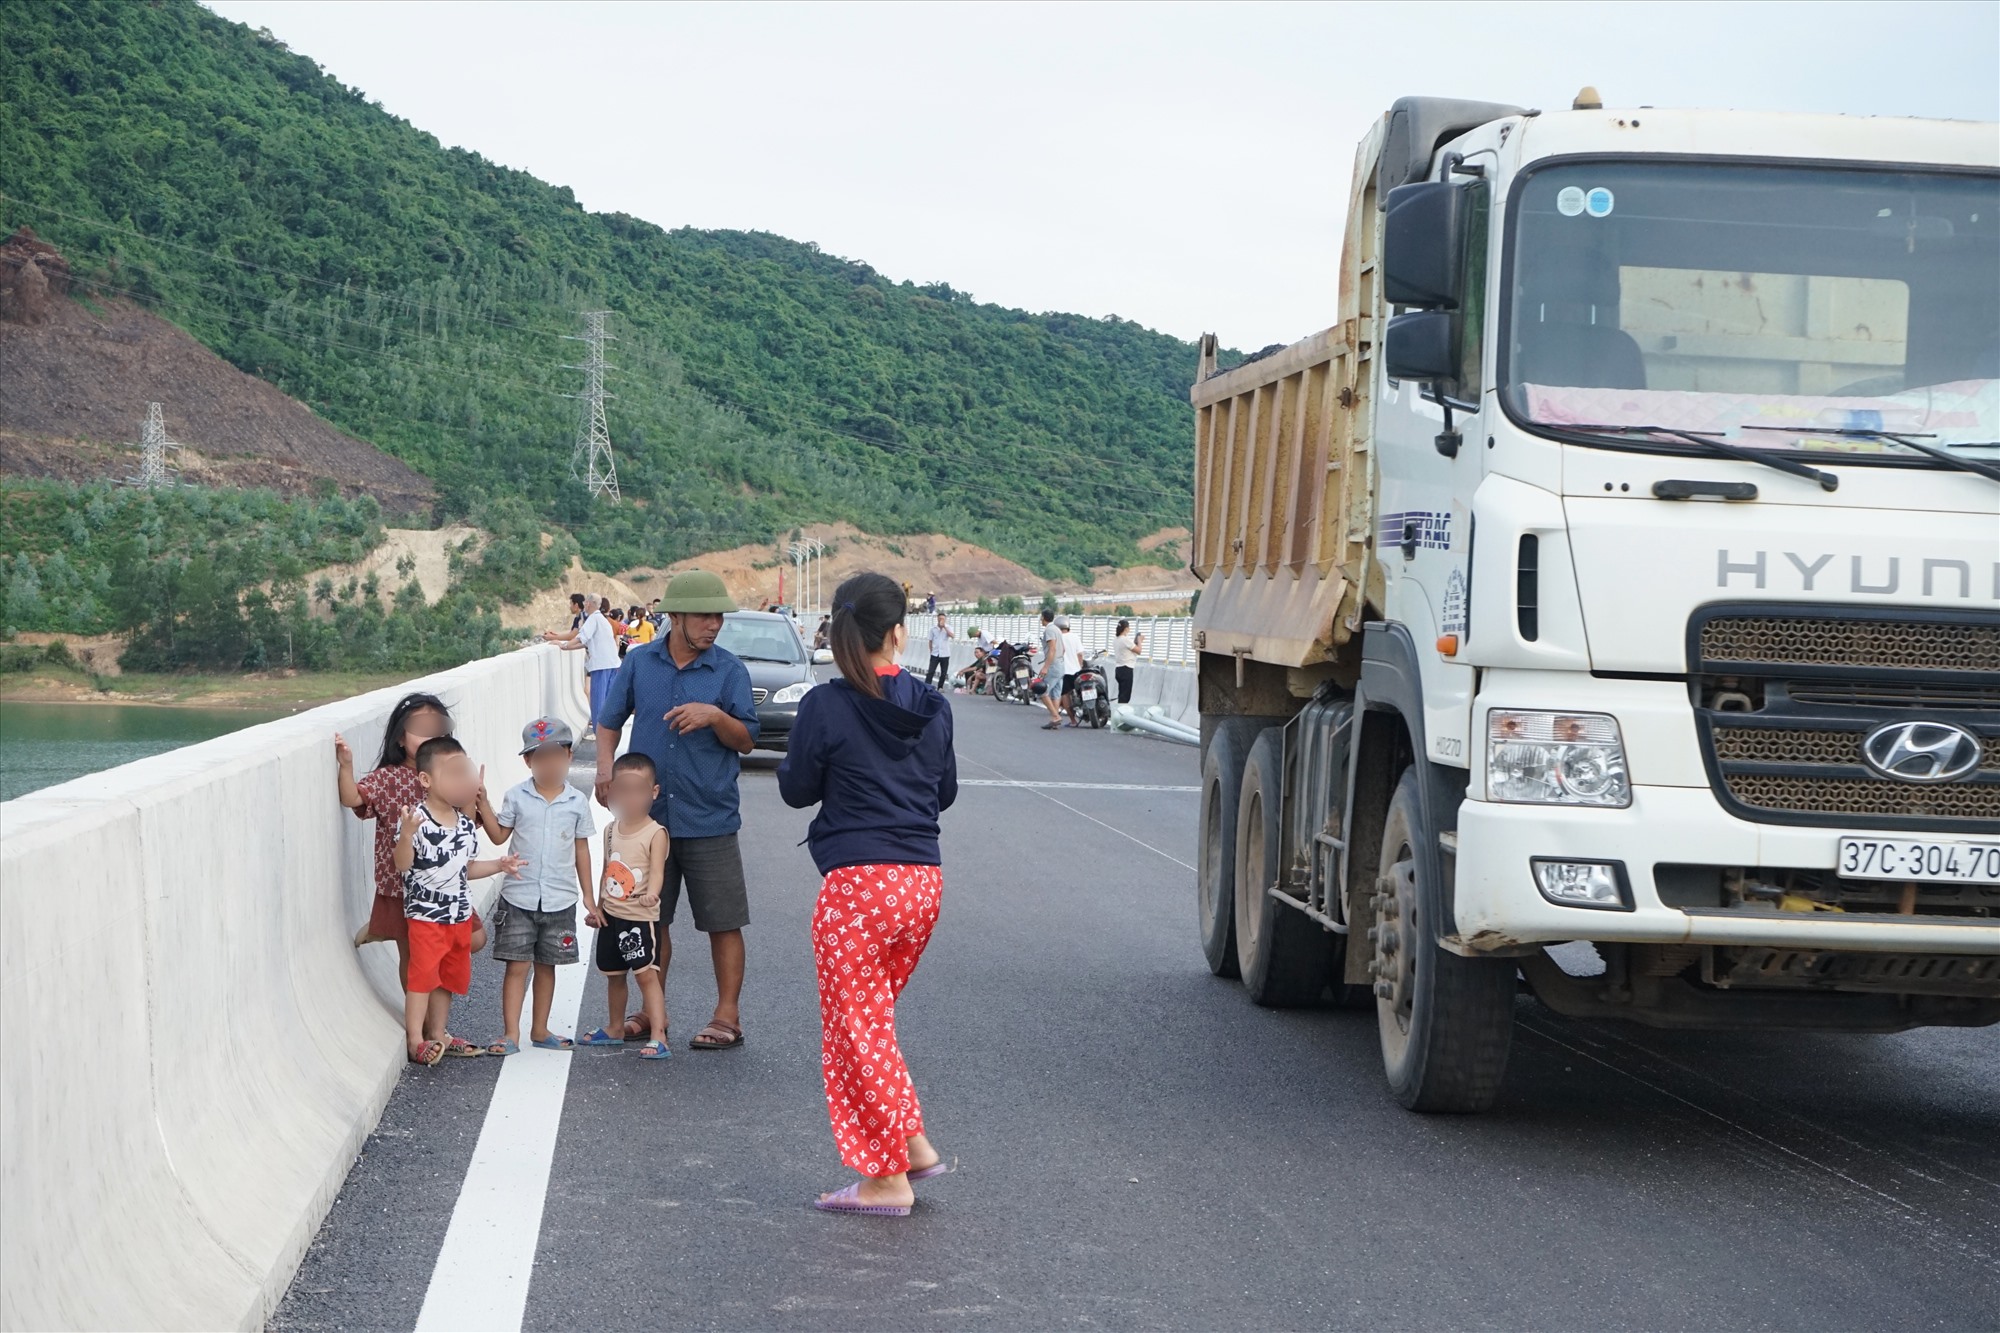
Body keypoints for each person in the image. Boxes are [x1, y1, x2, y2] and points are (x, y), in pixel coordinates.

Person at [777, 571, 958, 1216]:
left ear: (840, 631)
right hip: (921, 884)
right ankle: (911, 1144)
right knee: (873, 1022)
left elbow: (797, 788)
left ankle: (884, 1178)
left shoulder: (828, 705)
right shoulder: (933, 704)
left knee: (854, 1030)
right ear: (899, 632)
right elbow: (945, 793)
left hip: (858, 886)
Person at [595, 569, 761, 1051]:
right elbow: (609, 722)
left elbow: (747, 740)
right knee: (649, 919)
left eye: (718, 616)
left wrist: (716, 717)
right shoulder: (640, 663)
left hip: (710, 816)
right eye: (704, 615)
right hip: (647, 821)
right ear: (675, 617)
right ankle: (652, 1011)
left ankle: (727, 1016)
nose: (714, 624)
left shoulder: (729, 671)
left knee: (723, 920)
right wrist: (605, 767)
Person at [336, 693, 487, 1059]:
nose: (430, 734)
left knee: (474, 939)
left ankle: (433, 1029)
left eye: (437, 727)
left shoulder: (448, 770)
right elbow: (353, 799)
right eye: (421, 728)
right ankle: (425, 1035)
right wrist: (346, 765)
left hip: (448, 888)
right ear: (401, 737)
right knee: (419, 961)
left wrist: (474, 790)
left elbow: (469, 825)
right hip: (400, 886)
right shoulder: (388, 778)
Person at [394, 737, 525, 1065]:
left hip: (458, 916)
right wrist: (407, 835)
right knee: (422, 977)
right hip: (426, 916)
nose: (462, 781)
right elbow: (402, 864)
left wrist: (499, 865)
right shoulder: (417, 820)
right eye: (453, 773)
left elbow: (465, 868)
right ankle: (415, 1041)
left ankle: (440, 1034)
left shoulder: (466, 825)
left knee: (447, 977)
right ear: (426, 780)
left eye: (464, 773)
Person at [473, 716, 593, 1055]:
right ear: (528, 761)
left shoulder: (577, 803)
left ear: (569, 756)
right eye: (540, 757)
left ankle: (540, 1029)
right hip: (518, 896)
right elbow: (499, 835)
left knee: (547, 965)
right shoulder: (517, 797)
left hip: (560, 899)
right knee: (517, 966)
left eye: (556, 755)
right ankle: (510, 1033)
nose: (549, 764)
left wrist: (588, 896)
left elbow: (581, 849)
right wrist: (482, 802)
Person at [580, 752, 672, 1059]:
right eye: (624, 790)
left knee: (646, 974)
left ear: (653, 792)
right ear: (613, 792)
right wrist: (598, 907)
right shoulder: (611, 829)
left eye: (639, 790)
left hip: (639, 917)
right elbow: (607, 869)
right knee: (613, 973)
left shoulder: (655, 832)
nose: (631, 798)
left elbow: (657, 871)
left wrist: (653, 894)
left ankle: (659, 1034)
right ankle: (615, 1027)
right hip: (612, 916)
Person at [547, 596, 620, 736]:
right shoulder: (603, 621)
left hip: (601, 666)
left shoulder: (593, 619)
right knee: (607, 704)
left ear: (588, 604)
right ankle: (607, 736)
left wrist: (564, 645)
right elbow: (586, 642)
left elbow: (581, 638)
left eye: (586, 602)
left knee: (598, 704)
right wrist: (566, 647)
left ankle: (600, 737)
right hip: (612, 665)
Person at [1036, 608, 1066, 730]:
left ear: (1043, 617)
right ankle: (1054, 719)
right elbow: (1063, 649)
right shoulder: (1057, 629)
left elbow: (1052, 649)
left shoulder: (1049, 630)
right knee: (1056, 693)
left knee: (1042, 690)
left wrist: (1046, 667)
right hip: (1061, 663)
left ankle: (1055, 716)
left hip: (1053, 665)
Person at [1059, 617, 1086, 727]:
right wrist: (1080, 667)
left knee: (1065, 695)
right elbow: (1080, 654)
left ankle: (1073, 720)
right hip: (1076, 671)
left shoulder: (1058, 638)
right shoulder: (1075, 637)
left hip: (1064, 671)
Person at [1111, 619, 1144, 704]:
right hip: (1126, 669)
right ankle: (1121, 715)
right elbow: (1139, 651)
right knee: (1125, 698)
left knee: (1122, 695)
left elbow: (1128, 650)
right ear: (1125, 629)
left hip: (1118, 669)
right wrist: (1140, 641)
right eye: (1128, 628)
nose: (1129, 629)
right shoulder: (1125, 640)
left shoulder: (1116, 639)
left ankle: (1119, 713)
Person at [953, 628, 990, 694]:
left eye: (977, 652)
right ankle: (970, 689)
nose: (976, 654)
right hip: (980, 674)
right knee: (969, 672)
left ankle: (972, 689)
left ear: (983, 652)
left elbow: (975, 668)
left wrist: (965, 672)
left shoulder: (984, 659)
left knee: (971, 673)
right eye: (975, 653)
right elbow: (971, 666)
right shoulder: (980, 659)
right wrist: (961, 671)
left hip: (986, 675)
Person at [923, 612, 954, 688]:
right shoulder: (933, 629)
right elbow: (930, 640)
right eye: (940, 618)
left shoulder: (948, 627)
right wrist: (931, 650)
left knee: (943, 672)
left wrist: (944, 628)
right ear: (937, 619)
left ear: (945, 620)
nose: (941, 620)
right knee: (931, 671)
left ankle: (940, 686)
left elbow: (952, 636)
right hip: (935, 653)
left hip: (945, 653)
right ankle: (927, 685)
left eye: (943, 619)